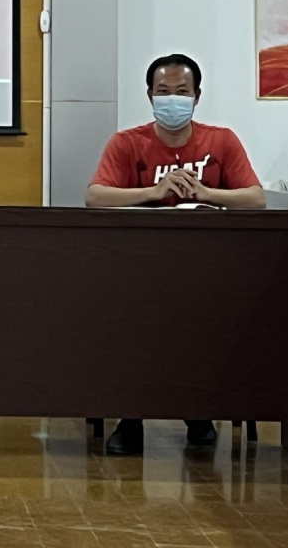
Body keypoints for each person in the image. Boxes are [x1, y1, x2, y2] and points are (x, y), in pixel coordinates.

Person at [86, 52, 265, 456]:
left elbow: (255, 198)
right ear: (150, 95)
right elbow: (95, 196)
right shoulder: (127, 142)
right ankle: (131, 418)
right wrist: (153, 192)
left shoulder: (221, 141)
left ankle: (197, 412)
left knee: (201, 319)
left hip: (206, 271)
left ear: (197, 96)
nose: (172, 100)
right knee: (133, 321)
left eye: (182, 92)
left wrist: (206, 193)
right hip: (139, 270)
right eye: (163, 92)